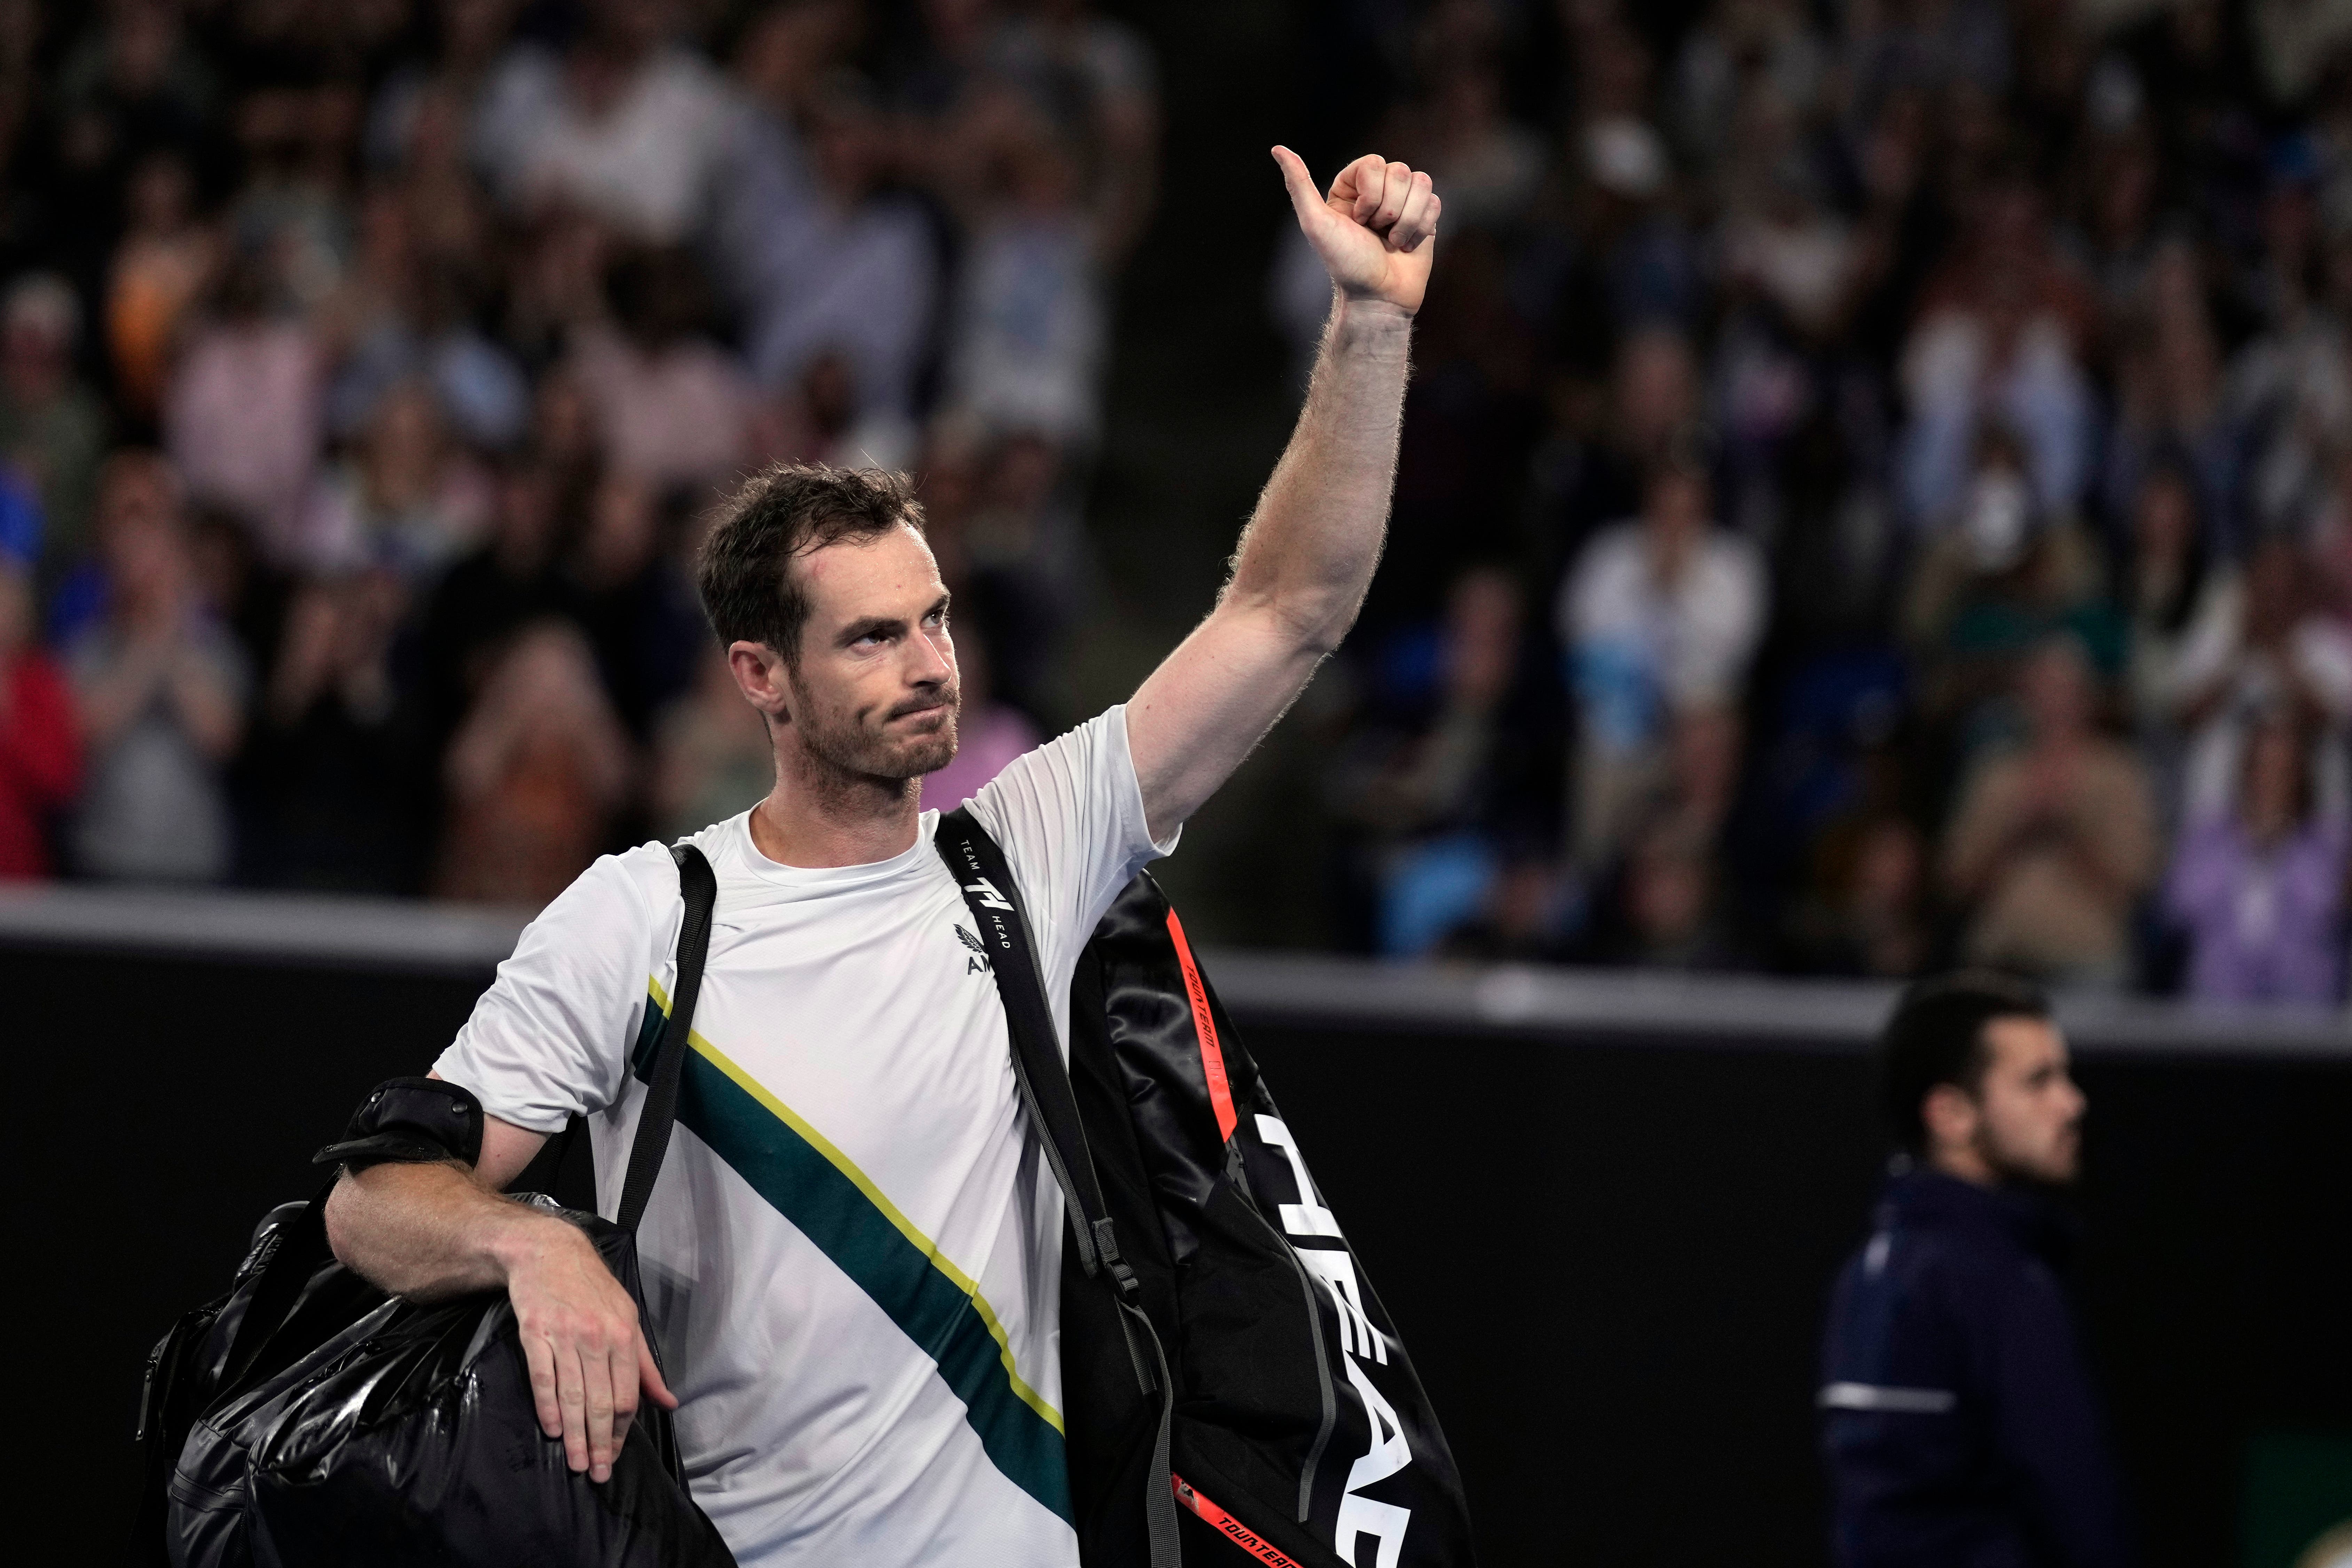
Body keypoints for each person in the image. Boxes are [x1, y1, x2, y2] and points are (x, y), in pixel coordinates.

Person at [321, 148, 1441, 1565]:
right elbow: (373, 1202)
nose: (929, 666)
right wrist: (528, 1242)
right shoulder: (645, 918)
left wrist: (1372, 324)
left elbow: (1290, 607)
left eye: (935, 619)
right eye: (871, 636)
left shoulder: (1023, 850)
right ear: (762, 675)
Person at [1819, 972, 2132, 1568]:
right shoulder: (1995, 1280)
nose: (2071, 1103)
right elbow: (2075, 1503)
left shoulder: (1868, 1273)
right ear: (1951, 1114)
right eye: (2038, 1081)